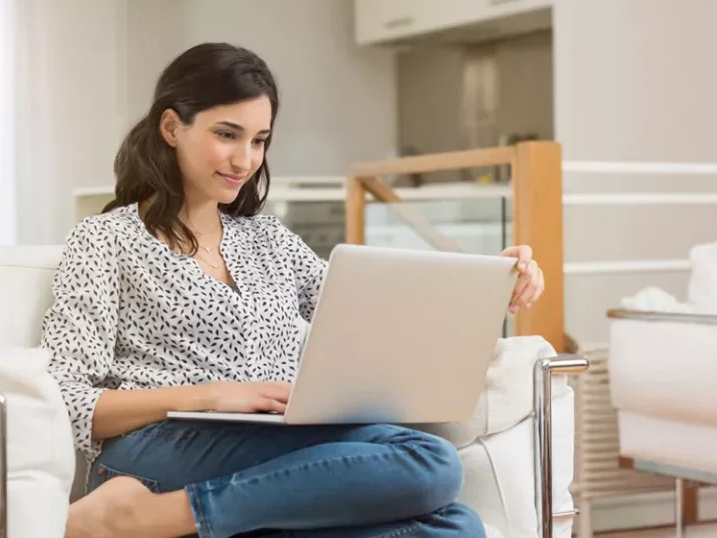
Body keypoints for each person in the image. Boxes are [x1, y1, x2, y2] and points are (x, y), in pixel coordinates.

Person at [41, 42, 545, 538]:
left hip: (279, 442)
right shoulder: (105, 240)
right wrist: (214, 396)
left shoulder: (268, 239)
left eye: (259, 140)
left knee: (457, 524)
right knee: (429, 461)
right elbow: (66, 397)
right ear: (172, 127)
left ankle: (193, 522)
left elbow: (379, 307)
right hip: (155, 449)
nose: (245, 159)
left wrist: (491, 280)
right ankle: (144, 515)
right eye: (227, 134)